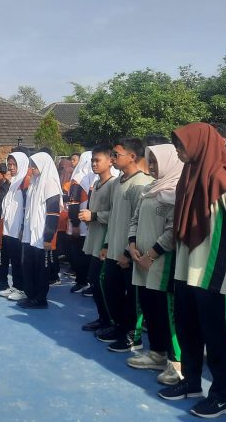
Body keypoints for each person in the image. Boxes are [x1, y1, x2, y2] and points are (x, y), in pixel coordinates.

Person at [157, 123, 226, 419]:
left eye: (181, 145)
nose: (178, 150)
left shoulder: (219, 178)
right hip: (185, 270)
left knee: (217, 336)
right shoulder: (188, 177)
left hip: (212, 272)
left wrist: (223, 242)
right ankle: (191, 383)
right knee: (188, 329)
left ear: (199, 144)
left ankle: (222, 396)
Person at [126, 144, 184, 385]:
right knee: (150, 308)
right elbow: (135, 219)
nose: (150, 166)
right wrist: (132, 245)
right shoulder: (149, 189)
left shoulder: (176, 192)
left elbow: (173, 230)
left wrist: (151, 254)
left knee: (166, 311)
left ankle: (177, 363)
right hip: (141, 260)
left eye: (155, 162)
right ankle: (157, 353)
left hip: (160, 262)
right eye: (149, 161)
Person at [101, 138, 154, 353]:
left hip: (129, 253)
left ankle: (134, 335)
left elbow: (137, 221)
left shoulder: (141, 184)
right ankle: (120, 327)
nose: (113, 158)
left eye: (116, 155)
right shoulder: (117, 182)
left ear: (132, 157)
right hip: (113, 249)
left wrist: (126, 251)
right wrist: (106, 244)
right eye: (112, 154)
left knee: (132, 297)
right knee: (111, 290)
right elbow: (114, 215)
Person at [78, 145, 118, 332]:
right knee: (94, 280)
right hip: (94, 239)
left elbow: (116, 214)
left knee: (101, 282)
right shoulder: (97, 184)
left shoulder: (113, 185)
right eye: (92, 160)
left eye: (98, 160)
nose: (94, 164)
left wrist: (93, 216)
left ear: (110, 161)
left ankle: (111, 320)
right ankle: (103, 317)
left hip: (105, 241)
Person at [19, 152, 62, 309]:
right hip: (30, 233)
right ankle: (31, 296)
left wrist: (48, 237)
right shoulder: (34, 182)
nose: (32, 168)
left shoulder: (50, 183)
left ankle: (40, 299)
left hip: (41, 235)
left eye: (35, 165)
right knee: (28, 265)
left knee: (41, 268)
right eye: (31, 165)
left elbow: (53, 213)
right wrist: (23, 229)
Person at [0, 152, 30, 300]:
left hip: (19, 229)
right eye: (9, 164)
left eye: (14, 164)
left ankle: (23, 289)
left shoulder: (25, 182)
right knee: (14, 259)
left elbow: (26, 207)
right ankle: (16, 286)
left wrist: (23, 227)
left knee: (20, 261)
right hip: (9, 229)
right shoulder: (13, 182)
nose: (10, 167)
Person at [66, 151, 94, 293]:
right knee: (80, 254)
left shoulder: (90, 178)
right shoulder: (79, 178)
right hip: (80, 224)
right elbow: (73, 203)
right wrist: (75, 224)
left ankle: (85, 281)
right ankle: (82, 281)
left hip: (86, 224)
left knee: (84, 255)